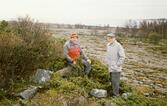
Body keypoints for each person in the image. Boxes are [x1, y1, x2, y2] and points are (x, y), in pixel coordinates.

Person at [106, 32, 125, 97]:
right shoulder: (108, 45)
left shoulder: (118, 46)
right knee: (112, 81)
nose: (109, 39)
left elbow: (122, 57)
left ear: (114, 38)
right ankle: (113, 93)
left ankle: (116, 96)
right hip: (110, 67)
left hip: (116, 68)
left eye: (111, 38)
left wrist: (117, 65)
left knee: (115, 82)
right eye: (108, 38)